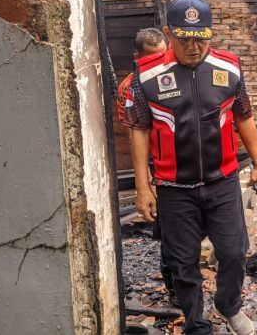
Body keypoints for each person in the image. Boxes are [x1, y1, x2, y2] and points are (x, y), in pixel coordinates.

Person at [123, 0, 257, 335]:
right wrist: (143, 187)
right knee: (183, 264)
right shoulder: (147, 77)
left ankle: (229, 306)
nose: (193, 46)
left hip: (223, 181)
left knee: (233, 252)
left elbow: (243, 116)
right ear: (168, 34)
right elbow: (139, 132)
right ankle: (196, 323)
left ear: (210, 34)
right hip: (174, 189)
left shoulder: (229, 68)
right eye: (185, 38)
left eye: (201, 37)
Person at [116, 28, 184, 307]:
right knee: (170, 236)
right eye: (152, 58)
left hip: (188, 167)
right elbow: (138, 136)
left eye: (163, 55)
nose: (160, 62)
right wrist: (145, 184)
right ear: (137, 57)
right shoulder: (129, 89)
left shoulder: (177, 75)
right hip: (161, 174)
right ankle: (175, 288)